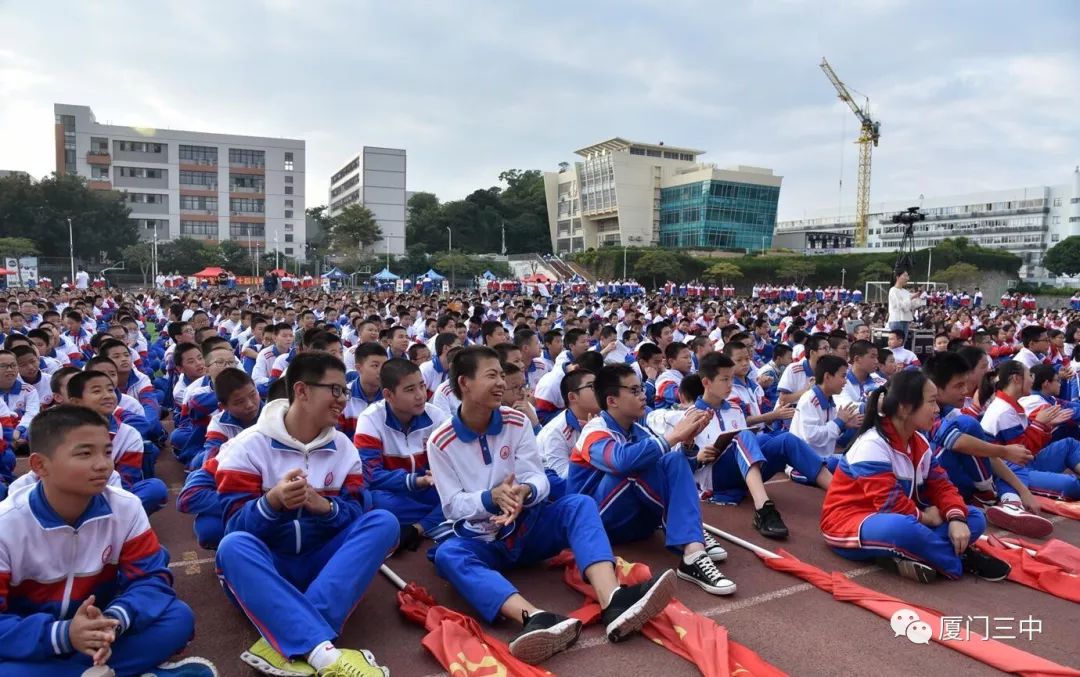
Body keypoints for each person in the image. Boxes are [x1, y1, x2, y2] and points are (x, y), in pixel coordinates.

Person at [427, 346, 677, 665]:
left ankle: (613, 599)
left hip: (530, 528)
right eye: (492, 375)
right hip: (485, 541)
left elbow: (537, 475)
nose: (502, 383)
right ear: (464, 383)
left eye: (502, 375)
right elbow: (452, 506)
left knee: (578, 505)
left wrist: (525, 492)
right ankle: (535, 618)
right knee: (449, 555)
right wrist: (490, 499)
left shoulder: (516, 422)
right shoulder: (441, 441)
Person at [215, 352, 398, 675]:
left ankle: (293, 639)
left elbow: (354, 513)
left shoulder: (344, 449)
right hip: (271, 569)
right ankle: (326, 654)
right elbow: (232, 526)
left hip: (322, 567)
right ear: (301, 391)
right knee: (232, 548)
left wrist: (326, 508)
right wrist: (270, 502)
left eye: (345, 391)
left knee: (383, 522)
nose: (343, 400)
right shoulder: (248, 446)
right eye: (335, 390)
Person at [0, 405, 216, 676]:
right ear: (39, 464)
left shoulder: (125, 507)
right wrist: (64, 634)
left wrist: (114, 620)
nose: (102, 464)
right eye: (85, 453)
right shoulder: (6, 524)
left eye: (107, 452)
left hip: (102, 628)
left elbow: (152, 580)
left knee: (178, 618)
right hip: (36, 639)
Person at [819, 370, 1011, 583]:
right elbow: (889, 504)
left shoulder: (919, 442)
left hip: (903, 517)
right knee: (902, 528)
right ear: (905, 408)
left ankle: (907, 555)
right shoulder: (871, 444)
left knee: (973, 517)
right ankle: (959, 558)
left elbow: (942, 486)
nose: (937, 410)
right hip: (852, 524)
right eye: (931, 402)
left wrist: (956, 518)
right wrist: (927, 517)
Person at [570, 363, 735, 595]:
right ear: (612, 401)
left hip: (638, 523)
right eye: (635, 390)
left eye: (641, 389)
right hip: (598, 524)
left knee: (673, 460)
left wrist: (687, 442)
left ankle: (693, 547)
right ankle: (687, 531)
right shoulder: (595, 431)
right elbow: (620, 462)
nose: (643, 395)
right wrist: (673, 435)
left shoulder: (639, 430)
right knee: (635, 466)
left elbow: (679, 469)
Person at [694, 353, 831, 538]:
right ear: (706, 383)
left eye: (731, 379)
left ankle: (839, 493)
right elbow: (680, 460)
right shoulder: (691, 415)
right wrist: (698, 457)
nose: (730, 385)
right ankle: (764, 510)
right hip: (715, 479)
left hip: (743, 472)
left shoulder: (735, 409)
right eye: (724, 379)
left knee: (786, 440)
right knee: (744, 436)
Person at [353, 358, 450, 550]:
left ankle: (418, 527)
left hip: (429, 492)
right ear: (388, 395)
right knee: (376, 502)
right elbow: (370, 475)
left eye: (422, 386)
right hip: (393, 494)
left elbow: (452, 469)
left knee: (456, 494)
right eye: (410, 390)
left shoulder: (437, 417)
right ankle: (439, 520)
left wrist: (438, 481)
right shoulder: (370, 419)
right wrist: (417, 481)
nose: (420, 395)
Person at [67, 371, 168, 515]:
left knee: (155, 489)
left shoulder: (128, 434)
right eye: (97, 391)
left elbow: (126, 483)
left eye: (110, 390)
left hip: (110, 497)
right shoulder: (60, 432)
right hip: (68, 499)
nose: (108, 395)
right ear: (76, 402)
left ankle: (111, 524)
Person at [886, 268, 924, 342]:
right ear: (898, 277)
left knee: (902, 343)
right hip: (896, 320)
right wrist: (912, 297)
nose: (908, 278)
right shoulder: (893, 290)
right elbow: (900, 305)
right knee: (896, 343)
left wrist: (918, 296)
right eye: (905, 276)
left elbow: (913, 305)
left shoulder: (905, 292)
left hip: (905, 320)